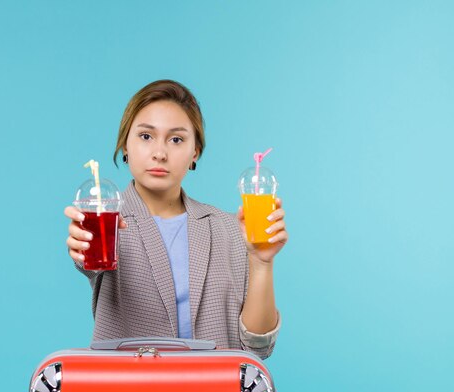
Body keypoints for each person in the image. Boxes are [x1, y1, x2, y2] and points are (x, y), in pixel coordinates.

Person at [64, 80, 288, 359]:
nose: (160, 152)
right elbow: (87, 259)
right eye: (146, 136)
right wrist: (82, 243)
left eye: (177, 139)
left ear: (194, 153)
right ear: (125, 145)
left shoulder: (230, 228)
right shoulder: (106, 227)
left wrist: (261, 262)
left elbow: (259, 347)